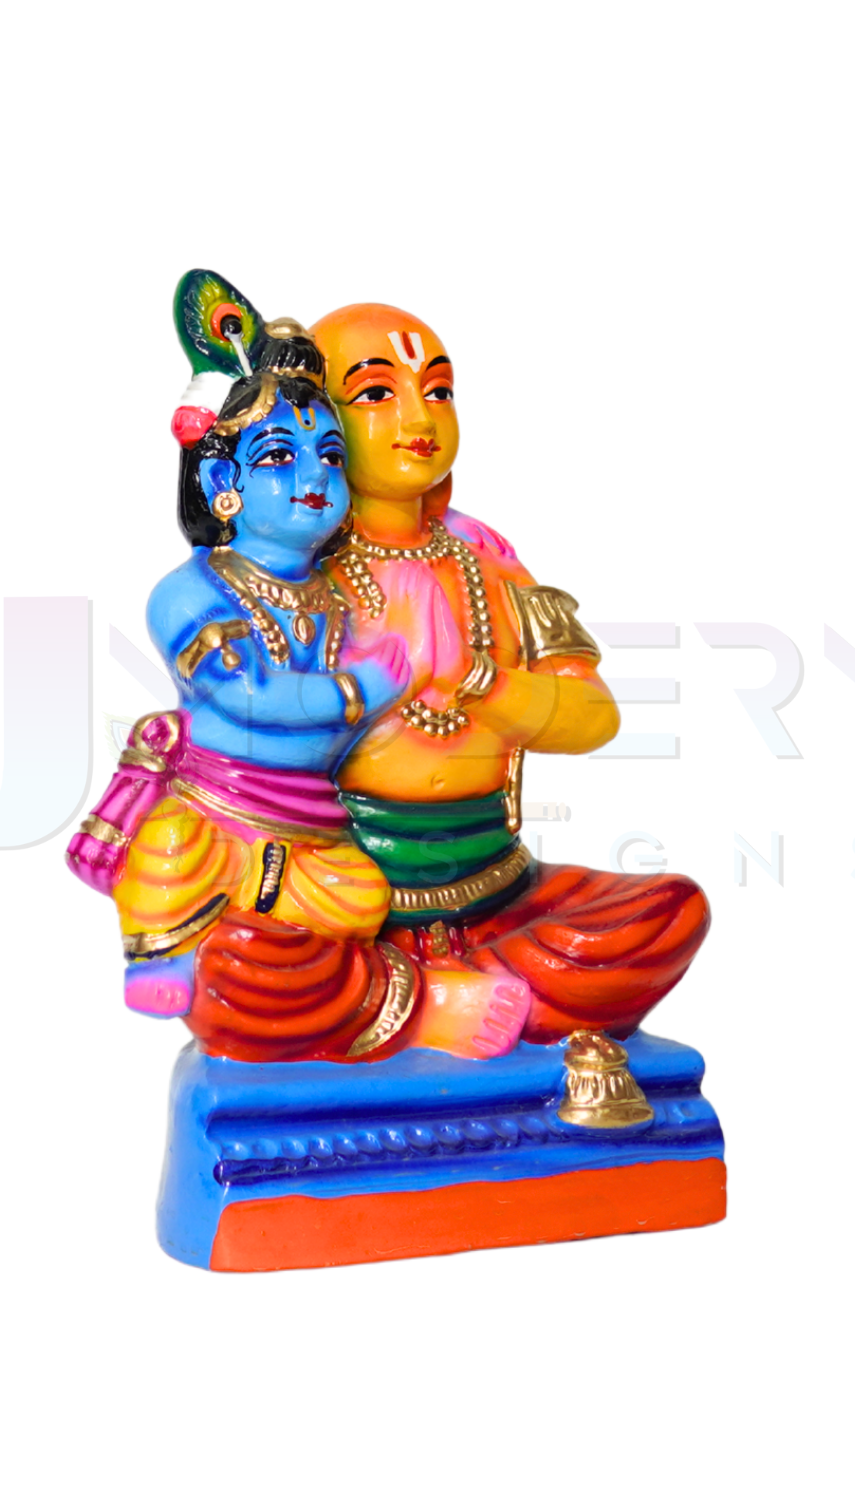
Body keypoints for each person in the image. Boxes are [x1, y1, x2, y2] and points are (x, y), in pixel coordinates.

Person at [68, 315, 531, 1062]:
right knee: (173, 855)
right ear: (223, 484)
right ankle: (179, 957)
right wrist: (360, 689)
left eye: (331, 456)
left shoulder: (341, 595)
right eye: (280, 457)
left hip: (311, 830)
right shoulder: (190, 593)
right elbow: (248, 695)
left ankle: (323, 979)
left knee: (363, 897)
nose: (314, 477)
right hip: (215, 814)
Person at [301, 301, 713, 1044]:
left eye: (438, 390)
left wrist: (478, 681)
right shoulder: (297, 574)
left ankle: (416, 999)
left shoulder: (492, 564)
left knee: (669, 912)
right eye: (376, 393)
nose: (418, 417)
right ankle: (439, 1003)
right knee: (241, 952)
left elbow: (595, 716)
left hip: (499, 890)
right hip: (349, 900)